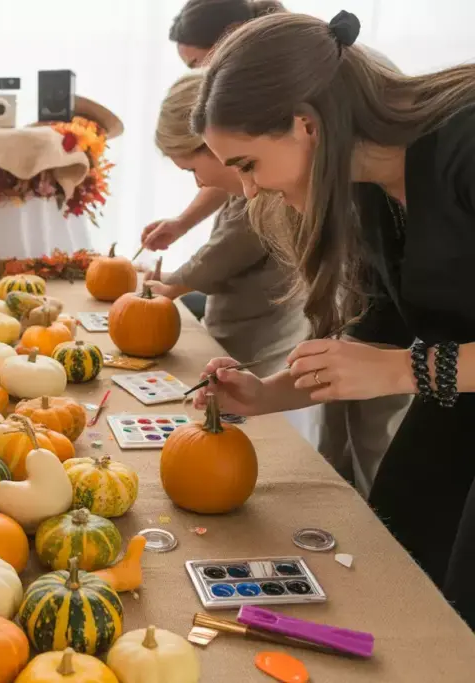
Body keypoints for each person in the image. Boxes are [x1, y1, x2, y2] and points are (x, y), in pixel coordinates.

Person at [189, 9, 475, 626]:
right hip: (454, 410)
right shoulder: (369, 189)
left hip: (450, 398)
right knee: (403, 579)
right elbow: (377, 334)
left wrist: (407, 369)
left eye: (246, 165)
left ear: (306, 125)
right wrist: (265, 394)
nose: (249, 192)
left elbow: (396, 360)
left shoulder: (467, 144)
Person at [146, 70, 311, 400]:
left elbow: (224, 252)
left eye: (193, 170)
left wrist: (173, 285)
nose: (199, 185)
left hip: (260, 340)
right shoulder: (254, 181)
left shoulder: (266, 196)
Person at [140, 0, 286, 258]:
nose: (199, 75)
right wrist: (182, 222)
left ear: (232, 33)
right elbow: (228, 171)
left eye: (197, 64)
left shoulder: (273, 87)